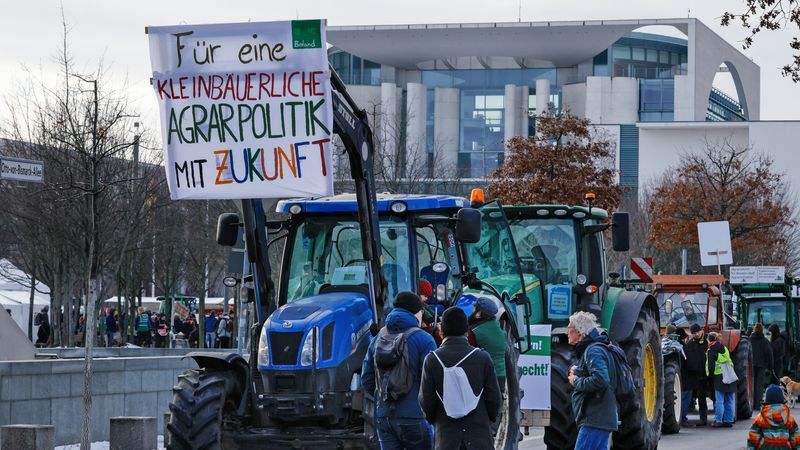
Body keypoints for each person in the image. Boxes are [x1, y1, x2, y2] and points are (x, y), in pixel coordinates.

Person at [363, 291, 437, 449]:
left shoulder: (377, 339)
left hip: (384, 418)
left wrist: (382, 400)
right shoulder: (424, 339)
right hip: (415, 416)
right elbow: (432, 381)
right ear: (415, 312)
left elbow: (367, 379)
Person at [420, 306, 501, 450]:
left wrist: (436, 420)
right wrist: (487, 420)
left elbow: (426, 401)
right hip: (479, 438)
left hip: (446, 438)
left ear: (441, 331)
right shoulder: (482, 358)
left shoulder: (432, 360)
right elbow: (494, 398)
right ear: (467, 330)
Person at [566, 311, 617, 449]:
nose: (567, 332)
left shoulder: (593, 351)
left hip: (594, 419)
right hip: (600, 417)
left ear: (579, 331)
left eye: (569, 328)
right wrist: (579, 370)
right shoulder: (594, 349)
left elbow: (601, 379)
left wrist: (576, 381)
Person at [467, 297, 506, 391]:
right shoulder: (499, 329)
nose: (472, 311)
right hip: (500, 376)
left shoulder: (474, 331)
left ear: (478, 314)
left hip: (484, 378)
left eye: (474, 308)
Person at [747, 384, 800, 449]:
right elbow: (796, 439)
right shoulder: (789, 418)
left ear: (766, 400)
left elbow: (753, 438)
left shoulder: (760, 418)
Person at [706, 332, 735, 427]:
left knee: (719, 401)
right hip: (730, 375)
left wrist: (709, 376)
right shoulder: (724, 348)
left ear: (709, 340)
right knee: (730, 399)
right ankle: (729, 420)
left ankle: (718, 420)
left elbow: (710, 366)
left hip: (719, 377)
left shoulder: (711, 351)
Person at [684, 323, 711, 426]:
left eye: (697, 332)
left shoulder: (709, 339)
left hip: (711, 374)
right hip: (699, 375)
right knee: (701, 396)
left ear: (701, 330)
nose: (696, 334)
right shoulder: (690, 344)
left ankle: (720, 417)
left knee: (716, 395)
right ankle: (703, 419)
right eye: (694, 333)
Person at [750, 323, 774, 409]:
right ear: (762, 330)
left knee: (751, 384)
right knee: (759, 384)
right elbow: (770, 354)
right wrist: (771, 367)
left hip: (751, 364)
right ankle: (757, 404)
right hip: (761, 365)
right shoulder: (765, 341)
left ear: (754, 329)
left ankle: (750, 403)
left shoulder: (750, 340)